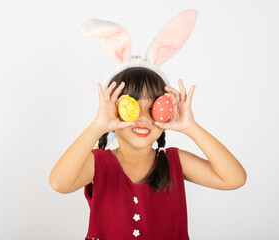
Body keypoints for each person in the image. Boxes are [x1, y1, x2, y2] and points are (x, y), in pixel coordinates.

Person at [49, 10, 247, 239]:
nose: (143, 117)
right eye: (131, 107)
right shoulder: (98, 163)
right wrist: (97, 125)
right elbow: (59, 183)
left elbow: (235, 179)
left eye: (154, 107)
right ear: (112, 110)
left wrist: (191, 127)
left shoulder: (174, 161)